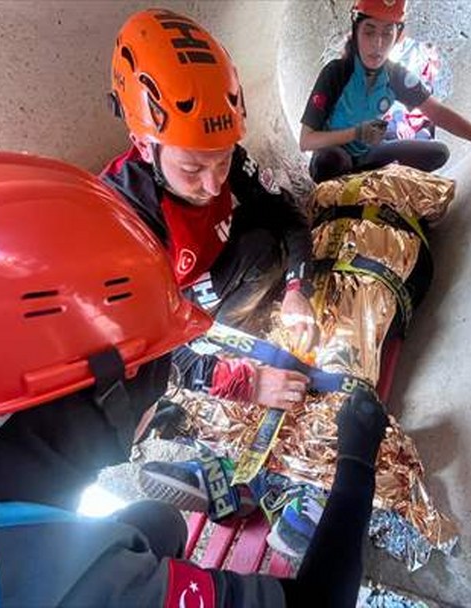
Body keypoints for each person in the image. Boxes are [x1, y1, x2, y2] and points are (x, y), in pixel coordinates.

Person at [0, 150, 390, 607]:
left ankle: (218, 499)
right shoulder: (53, 580)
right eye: (146, 385)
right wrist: (356, 460)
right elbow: (322, 600)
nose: (211, 181)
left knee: (156, 522)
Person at [101, 9, 315, 412]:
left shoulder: (226, 158)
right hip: (167, 309)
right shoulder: (124, 213)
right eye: (192, 169)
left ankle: (222, 334)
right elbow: (136, 346)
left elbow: (288, 216)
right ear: (145, 146)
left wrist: (297, 289)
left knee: (264, 248)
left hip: (208, 279)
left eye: (222, 162)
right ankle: (209, 352)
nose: (214, 184)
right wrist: (241, 382)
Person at [300, 0, 471, 183]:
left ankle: (369, 182)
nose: (377, 44)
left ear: (398, 36)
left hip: (368, 154)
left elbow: (437, 112)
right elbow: (306, 141)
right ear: (356, 31)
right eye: (369, 32)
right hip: (334, 153)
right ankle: (362, 184)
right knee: (329, 162)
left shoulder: (395, 76)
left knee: (438, 153)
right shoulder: (336, 73)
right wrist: (356, 133)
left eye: (387, 33)